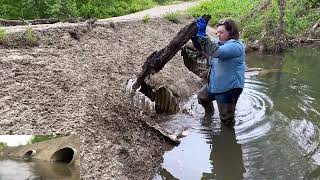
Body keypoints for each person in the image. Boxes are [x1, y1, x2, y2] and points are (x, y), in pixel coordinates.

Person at [192, 17, 246, 127]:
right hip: (215, 85)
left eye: (221, 32)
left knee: (226, 121)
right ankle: (209, 115)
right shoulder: (221, 43)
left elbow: (216, 52)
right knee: (202, 97)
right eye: (217, 32)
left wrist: (203, 37)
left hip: (228, 88)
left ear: (231, 32)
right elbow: (209, 53)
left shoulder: (236, 46)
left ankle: (228, 140)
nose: (218, 35)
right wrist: (196, 40)